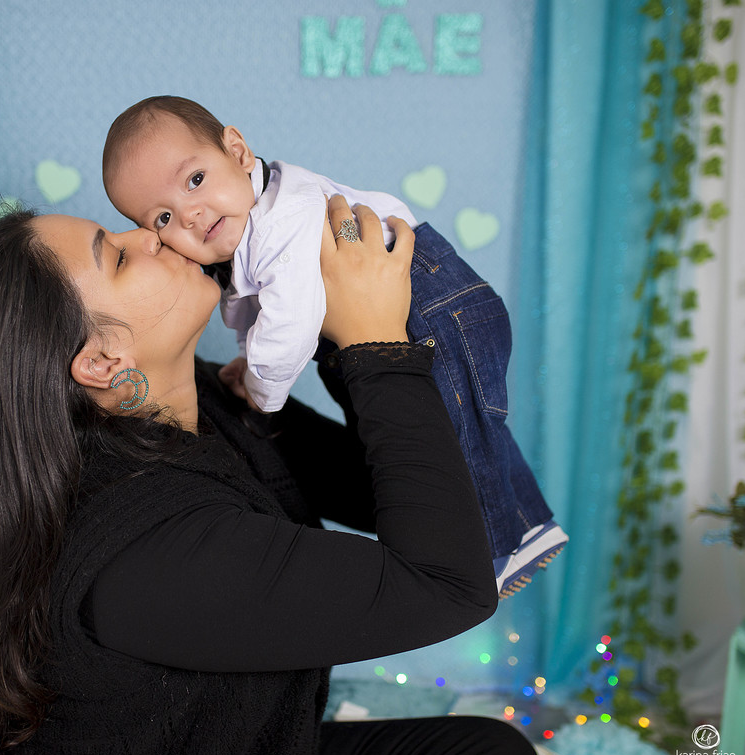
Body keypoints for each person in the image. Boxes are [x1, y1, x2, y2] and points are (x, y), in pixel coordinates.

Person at [0, 196, 542, 755]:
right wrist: (375, 345)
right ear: (100, 362)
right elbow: (449, 584)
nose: (150, 234)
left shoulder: (206, 402)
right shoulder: (148, 554)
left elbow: (406, 497)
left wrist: (323, 324)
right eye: (120, 256)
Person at [102, 95, 566, 598]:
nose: (190, 214)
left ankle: (489, 554)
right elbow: (250, 305)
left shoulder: (285, 218)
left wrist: (261, 391)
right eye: (163, 219)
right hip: (386, 331)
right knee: (474, 428)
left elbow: (291, 323)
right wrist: (249, 362)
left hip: (435, 311)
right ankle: (530, 523)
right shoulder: (250, 224)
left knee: (455, 438)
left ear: (237, 151)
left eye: (195, 180)